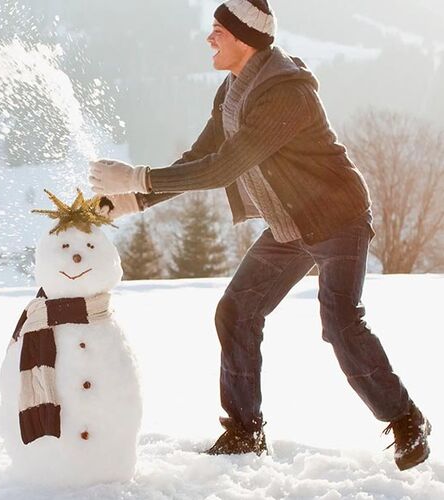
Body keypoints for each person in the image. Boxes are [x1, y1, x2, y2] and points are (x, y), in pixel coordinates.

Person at [89, 0, 431, 471]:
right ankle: (245, 432)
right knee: (236, 311)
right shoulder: (231, 91)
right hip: (289, 225)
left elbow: (227, 166)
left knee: (339, 321)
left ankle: (407, 420)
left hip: (337, 220)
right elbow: (200, 157)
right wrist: (137, 200)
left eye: (218, 31)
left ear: (245, 39)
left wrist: (140, 178)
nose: (209, 38)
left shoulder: (285, 93)